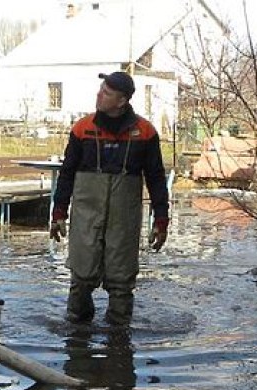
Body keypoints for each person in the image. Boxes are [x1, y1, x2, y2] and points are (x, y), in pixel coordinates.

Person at [50, 71, 170, 325]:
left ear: (121, 100)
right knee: (81, 278)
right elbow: (67, 173)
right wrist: (58, 212)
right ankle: (76, 337)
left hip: (123, 219)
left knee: (121, 281)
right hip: (86, 215)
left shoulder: (145, 132)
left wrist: (161, 219)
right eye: (100, 89)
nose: (99, 95)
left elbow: (156, 179)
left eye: (106, 92)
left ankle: (119, 342)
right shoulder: (83, 129)